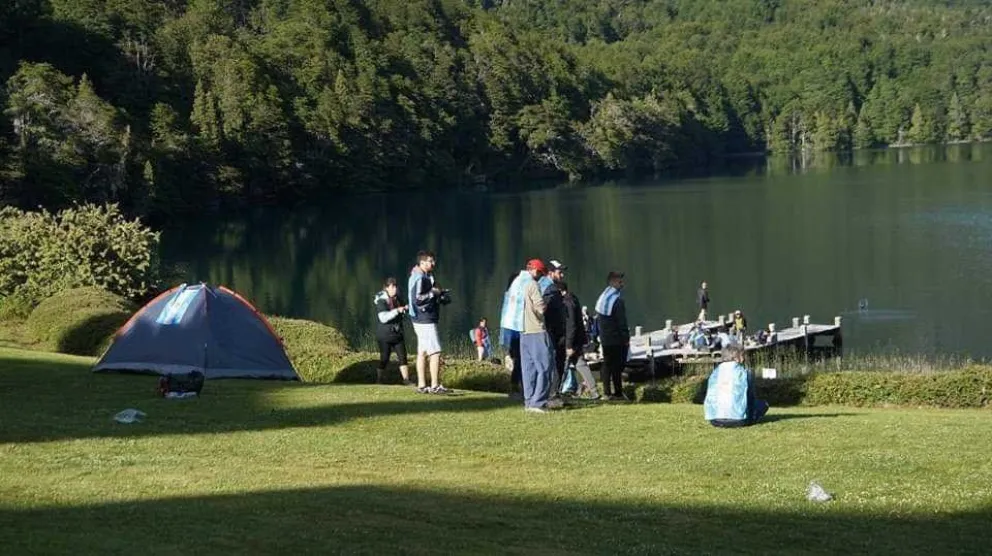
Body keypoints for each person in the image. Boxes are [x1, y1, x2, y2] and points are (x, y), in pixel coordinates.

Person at [408, 250, 449, 394]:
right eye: (430, 261)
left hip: (419, 318)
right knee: (435, 352)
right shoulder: (420, 278)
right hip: (424, 319)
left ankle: (421, 385)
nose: (433, 263)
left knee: (422, 351)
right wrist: (434, 293)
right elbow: (417, 299)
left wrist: (440, 295)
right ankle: (435, 386)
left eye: (433, 260)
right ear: (422, 262)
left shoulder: (422, 276)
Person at [703, 344, 769, 427]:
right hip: (738, 420)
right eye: (742, 355)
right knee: (763, 404)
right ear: (736, 358)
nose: (744, 358)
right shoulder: (744, 373)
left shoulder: (715, 373)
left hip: (714, 420)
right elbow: (750, 397)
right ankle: (747, 417)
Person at [520, 259, 554, 413]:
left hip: (523, 331)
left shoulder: (518, 284)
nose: (540, 276)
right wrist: (547, 304)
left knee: (529, 369)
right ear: (534, 270)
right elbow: (540, 308)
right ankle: (538, 402)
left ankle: (529, 401)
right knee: (545, 367)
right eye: (540, 272)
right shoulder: (533, 285)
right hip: (536, 330)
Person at [561, 282, 601, 400]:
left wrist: (568, 345)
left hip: (570, 341)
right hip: (578, 339)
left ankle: (556, 392)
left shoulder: (567, 303)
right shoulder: (573, 298)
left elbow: (571, 325)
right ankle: (594, 391)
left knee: (563, 367)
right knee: (581, 364)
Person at [595, 271, 630, 401]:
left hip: (605, 337)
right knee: (617, 366)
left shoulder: (603, 297)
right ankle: (618, 393)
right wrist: (626, 339)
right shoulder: (617, 300)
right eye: (620, 282)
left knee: (606, 364)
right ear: (613, 282)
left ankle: (606, 392)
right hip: (616, 338)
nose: (622, 284)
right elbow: (622, 322)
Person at [373, 277, 411, 385]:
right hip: (384, 335)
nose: (395, 289)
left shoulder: (397, 298)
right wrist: (396, 311)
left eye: (396, 286)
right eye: (392, 287)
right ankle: (379, 380)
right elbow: (383, 318)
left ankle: (406, 380)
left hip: (397, 334)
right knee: (384, 358)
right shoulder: (381, 301)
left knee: (403, 357)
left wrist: (406, 308)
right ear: (386, 288)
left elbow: (403, 308)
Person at [539, 259, 568, 397]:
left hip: (549, 332)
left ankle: (551, 392)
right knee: (556, 363)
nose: (562, 275)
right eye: (559, 272)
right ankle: (553, 393)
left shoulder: (541, 285)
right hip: (553, 333)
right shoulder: (550, 290)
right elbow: (543, 311)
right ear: (550, 273)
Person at [500, 271, 527, 398]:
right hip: (515, 332)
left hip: (509, 332)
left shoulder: (508, 295)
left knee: (518, 360)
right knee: (520, 360)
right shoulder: (516, 296)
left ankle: (516, 387)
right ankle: (519, 387)